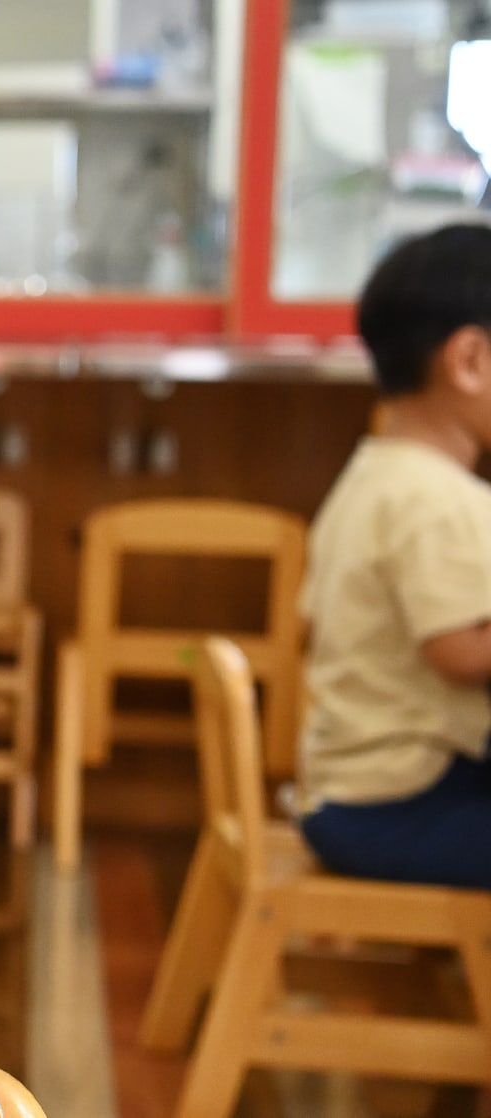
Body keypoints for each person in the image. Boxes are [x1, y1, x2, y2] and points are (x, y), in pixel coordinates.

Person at [295, 223, 491, 889]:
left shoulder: (374, 475)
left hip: (355, 797)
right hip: (405, 806)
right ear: (470, 360)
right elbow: (462, 654)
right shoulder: (438, 499)